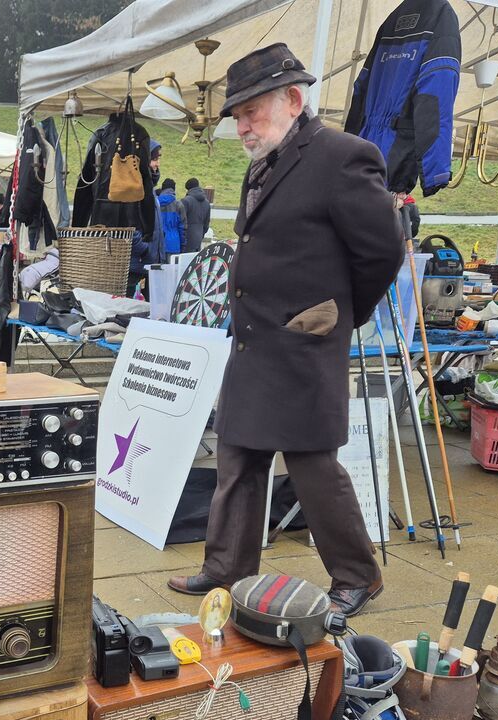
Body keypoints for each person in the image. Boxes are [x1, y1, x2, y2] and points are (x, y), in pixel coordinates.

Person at [166, 44, 403, 617]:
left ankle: (357, 576)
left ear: (294, 100)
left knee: (313, 466)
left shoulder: (344, 157)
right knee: (238, 459)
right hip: (254, 341)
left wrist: (339, 314)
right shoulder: (266, 160)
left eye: (252, 111)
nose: (242, 126)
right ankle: (226, 570)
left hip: (303, 342)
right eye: (238, 115)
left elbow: (382, 252)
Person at [127, 141, 166, 298]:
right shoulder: (134, 189)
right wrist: (144, 249)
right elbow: (129, 227)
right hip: (136, 267)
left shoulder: (148, 189)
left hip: (148, 264)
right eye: (154, 159)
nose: (158, 164)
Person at [157, 178, 188, 257]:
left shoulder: (155, 203)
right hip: (174, 244)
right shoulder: (178, 205)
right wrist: (183, 244)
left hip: (157, 243)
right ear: (173, 189)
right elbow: (182, 228)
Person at [180, 177, 210, 253]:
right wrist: (201, 234)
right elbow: (206, 224)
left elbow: (181, 221)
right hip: (199, 237)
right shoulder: (206, 203)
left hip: (187, 237)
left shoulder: (186, 201)